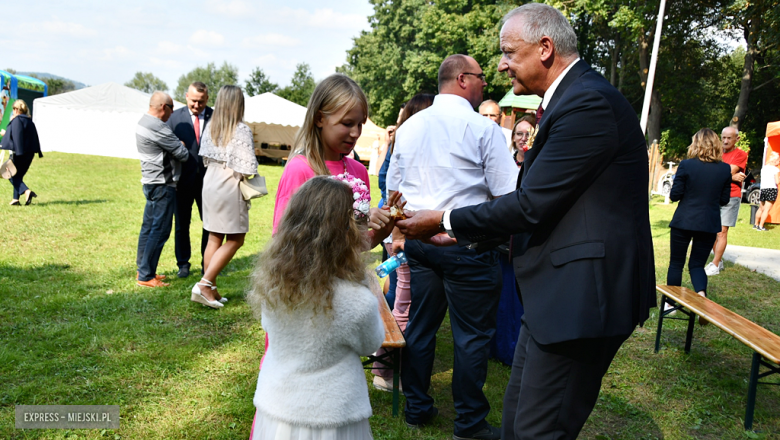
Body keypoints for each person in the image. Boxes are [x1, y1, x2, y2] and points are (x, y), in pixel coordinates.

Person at [396, 4, 655, 439]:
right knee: (515, 420)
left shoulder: (587, 102)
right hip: (555, 297)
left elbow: (530, 204)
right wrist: (462, 239)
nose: (501, 65)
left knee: (537, 430)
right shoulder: (571, 100)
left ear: (546, 48)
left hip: (582, 301)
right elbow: (542, 205)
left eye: (509, 53)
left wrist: (444, 219)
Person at [388, 55, 517, 440]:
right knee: (471, 337)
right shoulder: (483, 129)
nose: (485, 85)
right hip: (467, 246)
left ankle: (416, 406)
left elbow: (394, 189)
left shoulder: (410, 126)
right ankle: (470, 424)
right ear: (462, 79)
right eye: (480, 78)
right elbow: (508, 195)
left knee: (422, 327)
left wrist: (407, 231)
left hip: (421, 245)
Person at [247, 176, 385, 440]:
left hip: (278, 409)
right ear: (350, 234)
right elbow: (371, 344)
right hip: (333, 416)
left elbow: (269, 327)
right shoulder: (356, 300)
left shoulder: (274, 285)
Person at [272, 73, 395, 243]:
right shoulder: (299, 169)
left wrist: (384, 228)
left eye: (360, 124)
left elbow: (355, 247)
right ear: (319, 119)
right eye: (347, 124)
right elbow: (283, 240)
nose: (356, 133)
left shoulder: (359, 170)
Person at [372, 92, 434, 393]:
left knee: (398, 298)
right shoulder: (413, 148)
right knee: (403, 304)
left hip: (400, 232)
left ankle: (387, 362)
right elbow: (392, 190)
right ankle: (383, 368)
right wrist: (398, 236)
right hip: (403, 234)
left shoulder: (406, 143)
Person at [191, 85, 257, 309]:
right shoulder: (241, 130)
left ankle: (211, 288)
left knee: (214, 237)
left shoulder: (211, 126)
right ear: (239, 104)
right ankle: (204, 284)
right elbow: (247, 168)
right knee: (236, 239)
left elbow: (205, 158)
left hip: (210, 181)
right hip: (229, 184)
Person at [666, 128, 731, 311]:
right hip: (709, 222)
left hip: (684, 220)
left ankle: (671, 303)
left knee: (676, 263)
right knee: (697, 265)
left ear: (696, 144)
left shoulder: (686, 165)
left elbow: (675, 195)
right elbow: (724, 200)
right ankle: (701, 297)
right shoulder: (725, 169)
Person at [136, 92, 190, 288]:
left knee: (148, 228)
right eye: (171, 107)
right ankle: (146, 275)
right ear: (163, 106)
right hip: (163, 184)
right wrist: (181, 144)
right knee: (160, 230)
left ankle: (143, 268)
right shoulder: (158, 127)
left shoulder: (143, 121)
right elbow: (183, 154)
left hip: (149, 182)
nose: (173, 112)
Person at [167, 81, 212, 279]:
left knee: (209, 224)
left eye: (201, 102)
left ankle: (207, 263)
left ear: (207, 99)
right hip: (182, 181)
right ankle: (183, 264)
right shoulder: (174, 118)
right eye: (194, 101)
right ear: (186, 96)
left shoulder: (216, 117)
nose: (197, 105)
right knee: (181, 224)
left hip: (209, 182)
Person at [705, 126, 748, 275]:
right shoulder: (715, 153)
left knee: (722, 231)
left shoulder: (740, 154)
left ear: (737, 139)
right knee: (711, 230)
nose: (725, 141)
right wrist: (731, 177)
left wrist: (727, 174)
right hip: (714, 194)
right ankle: (719, 260)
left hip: (731, 195)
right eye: (723, 137)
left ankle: (715, 264)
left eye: (729, 138)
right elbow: (710, 172)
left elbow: (725, 171)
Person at [0, 99, 42, 205]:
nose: (13, 111)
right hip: (29, 153)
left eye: (14, 108)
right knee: (18, 175)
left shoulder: (17, 120)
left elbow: (17, 137)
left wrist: (5, 134)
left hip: (19, 153)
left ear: (17, 109)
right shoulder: (29, 121)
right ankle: (15, 199)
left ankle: (27, 191)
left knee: (8, 173)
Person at [754, 152, 780, 231]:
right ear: (774, 161)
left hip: (763, 189)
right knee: (767, 209)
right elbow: (777, 182)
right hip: (771, 189)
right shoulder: (776, 169)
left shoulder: (764, 168)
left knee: (761, 208)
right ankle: (761, 226)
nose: (779, 162)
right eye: (778, 160)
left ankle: (756, 224)